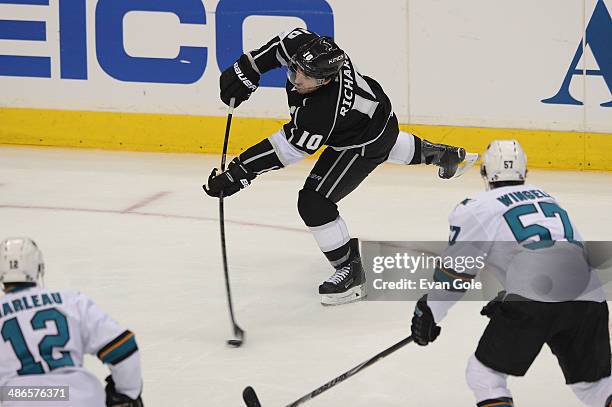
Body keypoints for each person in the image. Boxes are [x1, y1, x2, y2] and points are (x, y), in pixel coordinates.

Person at [204, 28, 470, 305]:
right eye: (295, 69)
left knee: (314, 202)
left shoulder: (321, 114)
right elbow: (285, 43)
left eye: (304, 78)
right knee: (376, 140)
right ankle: (440, 154)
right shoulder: (313, 50)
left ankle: (349, 269)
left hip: (363, 142)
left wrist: (239, 172)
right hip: (373, 118)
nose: (296, 79)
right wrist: (248, 67)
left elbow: (285, 149)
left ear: (324, 80)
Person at [410, 140, 611, 407]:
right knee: (596, 387)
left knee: (484, 376)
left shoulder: (477, 206)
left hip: (534, 299)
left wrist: (431, 309)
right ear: (525, 173)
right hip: (589, 294)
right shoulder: (547, 197)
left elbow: (457, 273)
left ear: (484, 174)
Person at [0, 237, 144, 407]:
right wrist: (127, 394)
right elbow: (122, 347)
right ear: (39, 268)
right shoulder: (71, 301)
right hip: (80, 396)